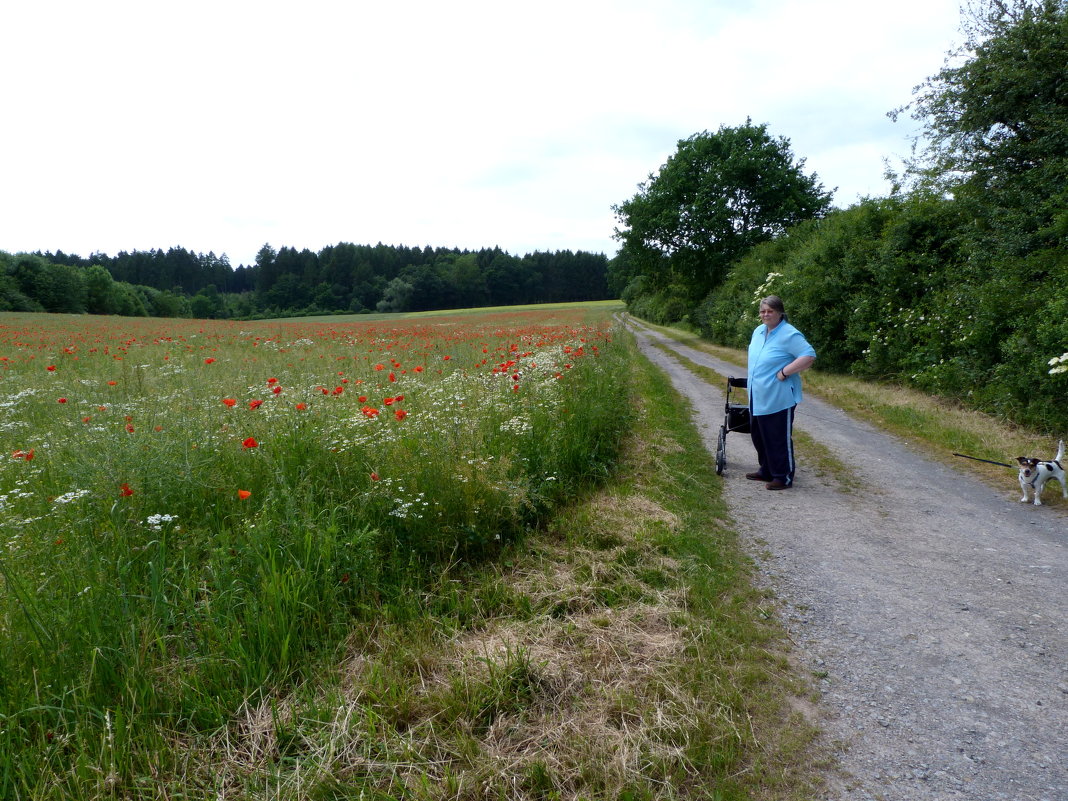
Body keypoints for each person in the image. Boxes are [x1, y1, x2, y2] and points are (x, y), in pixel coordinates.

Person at [745, 295, 816, 490]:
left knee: (776, 437)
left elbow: (809, 356)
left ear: (780, 313)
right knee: (759, 435)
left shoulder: (789, 334)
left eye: (770, 311)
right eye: (763, 311)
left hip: (779, 396)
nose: (766, 314)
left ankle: (782, 476)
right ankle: (766, 470)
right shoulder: (759, 331)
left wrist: (785, 372)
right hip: (758, 394)